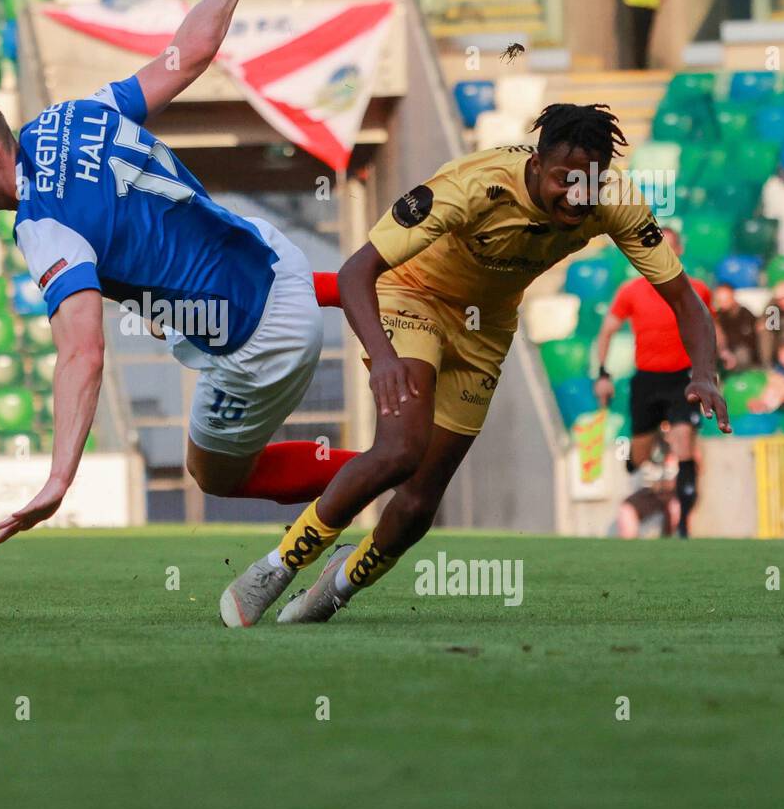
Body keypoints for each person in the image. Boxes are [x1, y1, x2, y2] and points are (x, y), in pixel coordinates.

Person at [0, 0, 359, 543]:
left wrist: (59, 479)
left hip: (260, 340)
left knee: (214, 473)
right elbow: (187, 57)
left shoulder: (42, 224)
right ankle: (362, 290)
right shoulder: (70, 116)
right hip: (276, 261)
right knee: (172, 284)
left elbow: (83, 353)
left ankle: (384, 468)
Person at [220, 104, 730, 627]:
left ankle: (338, 586)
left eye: (589, 184)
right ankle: (277, 566)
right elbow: (356, 272)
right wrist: (384, 358)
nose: (577, 196)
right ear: (536, 164)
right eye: (564, 180)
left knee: (420, 503)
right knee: (400, 449)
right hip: (412, 296)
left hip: (485, 327)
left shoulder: (615, 198)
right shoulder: (473, 186)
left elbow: (686, 300)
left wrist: (704, 374)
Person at [592, 228, 716, 538]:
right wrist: (603, 375)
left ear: (679, 251)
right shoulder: (631, 291)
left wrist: (714, 365)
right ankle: (639, 463)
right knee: (640, 454)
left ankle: (684, 525)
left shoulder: (696, 290)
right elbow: (606, 331)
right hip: (647, 379)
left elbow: (708, 329)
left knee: (684, 442)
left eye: (668, 248)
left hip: (682, 379)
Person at [712, 281, 761, 370]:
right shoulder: (717, 316)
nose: (723, 303)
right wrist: (724, 351)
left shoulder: (745, 314)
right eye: (720, 300)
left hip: (743, 352)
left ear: (732, 297)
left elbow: (749, 339)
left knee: (742, 354)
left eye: (725, 299)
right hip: (723, 352)